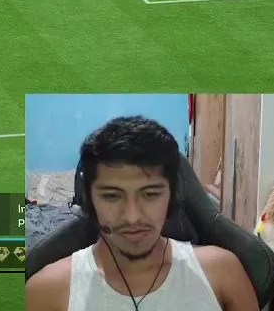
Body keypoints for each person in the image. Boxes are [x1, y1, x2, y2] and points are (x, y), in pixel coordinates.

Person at [25, 116, 259, 311]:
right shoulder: (46, 292)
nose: (132, 217)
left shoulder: (222, 273)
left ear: (173, 196)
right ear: (88, 201)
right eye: (112, 196)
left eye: (150, 194)